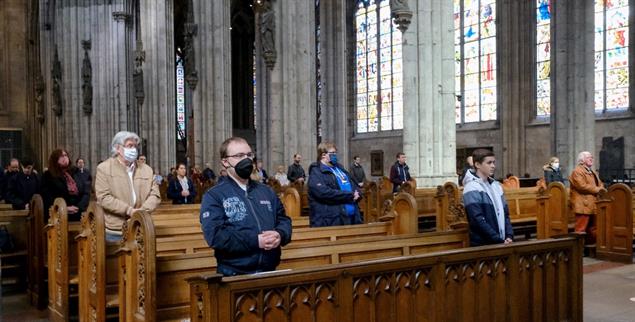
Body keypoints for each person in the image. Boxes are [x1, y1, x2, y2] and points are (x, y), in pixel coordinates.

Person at [200, 137, 292, 276]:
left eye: (249, 155)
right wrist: (256, 241)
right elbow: (216, 236)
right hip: (234, 274)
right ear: (225, 162)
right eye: (239, 156)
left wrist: (281, 234)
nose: (246, 160)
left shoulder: (266, 191)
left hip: (269, 272)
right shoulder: (214, 195)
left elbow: (283, 220)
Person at [95, 131, 161, 242]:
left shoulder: (147, 169)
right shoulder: (104, 168)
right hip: (116, 230)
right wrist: (129, 210)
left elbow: (155, 195)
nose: (134, 150)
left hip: (141, 227)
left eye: (135, 146)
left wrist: (140, 212)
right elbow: (104, 197)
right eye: (130, 146)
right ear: (117, 148)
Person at [462, 149, 513, 246]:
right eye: (489, 163)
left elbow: (506, 215)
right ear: (477, 165)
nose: (493, 166)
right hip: (483, 244)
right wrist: (497, 239)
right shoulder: (471, 187)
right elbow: (477, 219)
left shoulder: (496, 185)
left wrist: (509, 236)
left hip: (501, 241)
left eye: (494, 162)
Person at [308, 141, 363, 227]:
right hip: (331, 220)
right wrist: (350, 195)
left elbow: (354, 184)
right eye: (332, 153)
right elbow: (323, 193)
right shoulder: (316, 171)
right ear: (323, 155)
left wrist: (358, 193)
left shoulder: (340, 168)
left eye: (335, 153)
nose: (335, 155)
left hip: (352, 218)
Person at [41, 149, 90, 221]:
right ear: (55, 159)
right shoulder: (48, 175)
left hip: (78, 213)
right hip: (58, 215)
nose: (64, 158)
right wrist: (64, 208)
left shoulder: (76, 172)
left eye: (65, 155)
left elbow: (86, 192)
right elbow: (47, 197)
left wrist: (79, 207)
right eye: (61, 156)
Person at [569, 151, 604, 244]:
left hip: (592, 204)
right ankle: (578, 250)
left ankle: (589, 248)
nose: (591, 158)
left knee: (592, 228)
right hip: (583, 204)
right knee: (581, 228)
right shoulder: (577, 171)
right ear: (582, 160)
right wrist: (597, 190)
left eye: (592, 157)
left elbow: (600, 184)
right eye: (589, 157)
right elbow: (581, 186)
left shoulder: (592, 171)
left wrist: (600, 188)